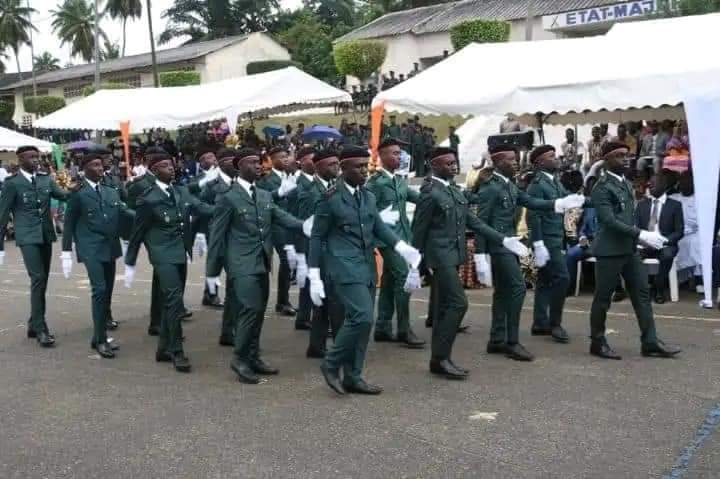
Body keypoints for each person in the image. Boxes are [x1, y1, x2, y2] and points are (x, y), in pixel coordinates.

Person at [309, 146, 421, 396]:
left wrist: (403, 248)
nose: (363, 171)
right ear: (343, 168)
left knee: (360, 324)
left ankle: (353, 376)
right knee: (362, 317)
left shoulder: (367, 196)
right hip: (343, 266)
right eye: (358, 167)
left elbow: (379, 228)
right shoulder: (330, 199)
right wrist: (314, 275)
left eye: (365, 166)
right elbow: (316, 237)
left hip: (366, 265)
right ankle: (331, 364)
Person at [472, 145, 585, 361]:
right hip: (499, 246)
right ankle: (511, 342)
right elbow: (479, 223)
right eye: (510, 160)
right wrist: (480, 256)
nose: (515, 163)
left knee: (503, 292)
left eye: (515, 160)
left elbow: (531, 202)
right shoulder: (490, 188)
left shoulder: (510, 185)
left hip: (512, 244)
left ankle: (496, 339)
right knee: (517, 289)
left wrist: (559, 203)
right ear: (497, 163)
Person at [205, 148, 306, 384]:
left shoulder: (264, 195)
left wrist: (309, 225)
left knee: (259, 311)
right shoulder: (228, 197)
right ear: (239, 166)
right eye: (251, 163)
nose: (258, 166)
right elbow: (217, 236)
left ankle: (253, 356)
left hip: (262, 261)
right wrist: (211, 273)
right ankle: (239, 358)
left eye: (259, 162)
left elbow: (283, 218)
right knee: (249, 308)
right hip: (240, 263)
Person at [413, 147, 513, 378]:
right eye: (448, 163)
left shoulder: (453, 191)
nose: (454, 166)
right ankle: (441, 357)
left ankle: (438, 360)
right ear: (435, 166)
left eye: (454, 162)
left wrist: (504, 240)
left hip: (454, 254)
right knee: (459, 303)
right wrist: (415, 263)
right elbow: (418, 230)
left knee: (443, 308)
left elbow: (474, 222)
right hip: (439, 257)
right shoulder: (430, 192)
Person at [588, 142, 681, 359]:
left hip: (629, 250)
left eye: (627, 155)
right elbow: (609, 221)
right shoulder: (601, 187)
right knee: (603, 298)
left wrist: (639, 239)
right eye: (619, 156)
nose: (626, 159)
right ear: (606, 160)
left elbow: (627, 217)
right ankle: (597, 341)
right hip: (610, 251)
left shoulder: (625, 184)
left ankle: (650, 341)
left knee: (642, 294)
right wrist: (641, 234)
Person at [124, 150, 215, 373]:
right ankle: (176, 351)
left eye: (171, 164)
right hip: (162, 254)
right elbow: (137, 231)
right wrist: (130, 262)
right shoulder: (148, 198)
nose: (171, 168)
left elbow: (202, 208)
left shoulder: (180, 191)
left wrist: (227, 206)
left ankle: (163, 348)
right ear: (155, 171)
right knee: (174, 301)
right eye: (165, 166)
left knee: (171, 302)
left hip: (180, 252)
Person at [61, 150, 135, 358]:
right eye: (94, 165)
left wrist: (145, 217)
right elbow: (69, 223)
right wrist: (66, 251)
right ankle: (101, 339)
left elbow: (123, 211)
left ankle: (98, 336)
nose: (100, 168)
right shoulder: (78, 193)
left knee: (108, 291)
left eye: (101, 165)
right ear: (84, 169)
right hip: (90, 247)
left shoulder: (111, 190)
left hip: (110, 246)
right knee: (100, 290)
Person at [0, 145, 71, 346]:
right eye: (31, 157)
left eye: (37, 157)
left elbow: (63, 195)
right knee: (38, 277)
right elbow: (3, 214)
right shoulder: (12, 183)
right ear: (20, 160)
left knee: (43, 280)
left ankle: (33, 323)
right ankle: (41, 328)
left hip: (46, 235)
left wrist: (77, 188)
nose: (36, 160)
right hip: (27, 236)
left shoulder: (45, 178)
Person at [366, 138, 425, 349]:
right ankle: (403, 329)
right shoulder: (375, 183)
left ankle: (382, 327)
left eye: (400, 153)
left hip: (403, 236)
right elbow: (365, 209)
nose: (398, 157)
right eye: (394, 153)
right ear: (381, 156)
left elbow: (418, 197)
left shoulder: (399, 181)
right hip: (386, 239)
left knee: (391, 281)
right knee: (403, 278)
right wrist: (379, 215)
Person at [526, 145, 581, 343]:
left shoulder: (553, 181)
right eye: (551, 156)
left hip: (555, 238)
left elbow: (568, 200)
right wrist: (539, 243)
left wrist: (584, 199)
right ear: (540, 162)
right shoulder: (537, 185)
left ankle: (540, 322)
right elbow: (533, 216)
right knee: (562, 278)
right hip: (546, 240)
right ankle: (554, 323)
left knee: (545, 280)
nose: (556, 158)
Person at [296, 149, 344, 358]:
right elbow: (307, 226)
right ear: (318, 167)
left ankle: (316, 345)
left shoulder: (334, 186)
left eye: (337, 163)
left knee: (324, 301)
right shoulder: (310, 191)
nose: (336, 167)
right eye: (331, 164)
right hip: (320, 251)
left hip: (333, 249)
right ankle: (336, 346)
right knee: (333, 299)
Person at [197, 148, 238, 345]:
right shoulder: (212, 184)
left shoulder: (239, 181)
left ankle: (230, 330)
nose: (235, 164)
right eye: (231, 161)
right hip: (219, 237)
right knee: (231, 283)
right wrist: (217, 211)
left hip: (237, 238)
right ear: (222, 163)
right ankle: (228, 329)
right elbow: (198, 204)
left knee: (236, 285)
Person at [256, 146, 299, 317]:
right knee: (287, 261)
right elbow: (263, 199)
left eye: (287, 156)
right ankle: (282, 301)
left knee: (290, 264)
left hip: (290, 224)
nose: (286, 159)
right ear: (272, 160)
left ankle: (283, 301)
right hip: (275, 226)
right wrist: (279, 192)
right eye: (281, 157)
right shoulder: (266, 179)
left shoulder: (292, 176)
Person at [635, 172, 684, 304]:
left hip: (665, 244)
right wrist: (643, 241)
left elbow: (679, 231)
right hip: (645, 244)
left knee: (667, 254)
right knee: (630, 254)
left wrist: (664, 241)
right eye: (649, 184)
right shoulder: (641, 205)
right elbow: (636, 228)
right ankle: (641, 289)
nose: (650, 186)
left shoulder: (675, 205)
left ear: (663, 185)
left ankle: (659, 288)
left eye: (653, 183)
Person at [287, 147, 317, 331]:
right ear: (302, 161)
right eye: (312, 159)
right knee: (307, 280)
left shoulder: (314, 182)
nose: (315, 162)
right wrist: (297, 251)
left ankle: (305, 316)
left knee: (311, 280)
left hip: (314, 238)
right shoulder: (299, 185)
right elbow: (293, 218)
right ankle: (305, 318)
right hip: (304, 240)